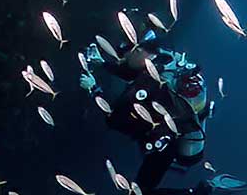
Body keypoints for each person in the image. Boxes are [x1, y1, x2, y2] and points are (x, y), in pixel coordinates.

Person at [80, 25, 244, 195]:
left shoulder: (150, 82)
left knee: (140, 192)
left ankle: (207, 191)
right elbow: (132, 72)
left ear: (138, 50)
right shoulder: (166, 59)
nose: (122, 60)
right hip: (182, 134)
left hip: (168, 145)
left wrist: (93, 89)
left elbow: (115, 120)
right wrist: (104, 64)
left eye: (124, 56)